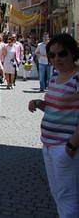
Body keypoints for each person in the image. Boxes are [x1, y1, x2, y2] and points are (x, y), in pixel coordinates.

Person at [28, 33, 79, 218]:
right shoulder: (55, 76)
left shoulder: (77, 77)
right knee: (57, 193)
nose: (57, 58)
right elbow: (55, 108)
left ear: (73, 53)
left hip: (65, 147)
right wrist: (39, 103)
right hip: (48, 145)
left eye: (62, 53)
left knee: (68, 196)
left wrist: (72, 145)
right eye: (52, 55)